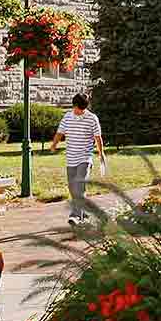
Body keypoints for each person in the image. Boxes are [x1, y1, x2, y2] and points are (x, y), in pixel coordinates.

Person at [47, 93, 105, 225]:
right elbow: (60, 132)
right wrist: (54, 145)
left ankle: (75, 215)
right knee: (73, 189)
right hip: (71, 158)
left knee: (79, 186)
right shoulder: (67, 117)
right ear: (74, 106)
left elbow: (97, 137)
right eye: (79, 108)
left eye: (83, 109)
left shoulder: (92, 118)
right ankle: (84, 213)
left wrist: (101, 153)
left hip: (85, 157)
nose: (81, 111)